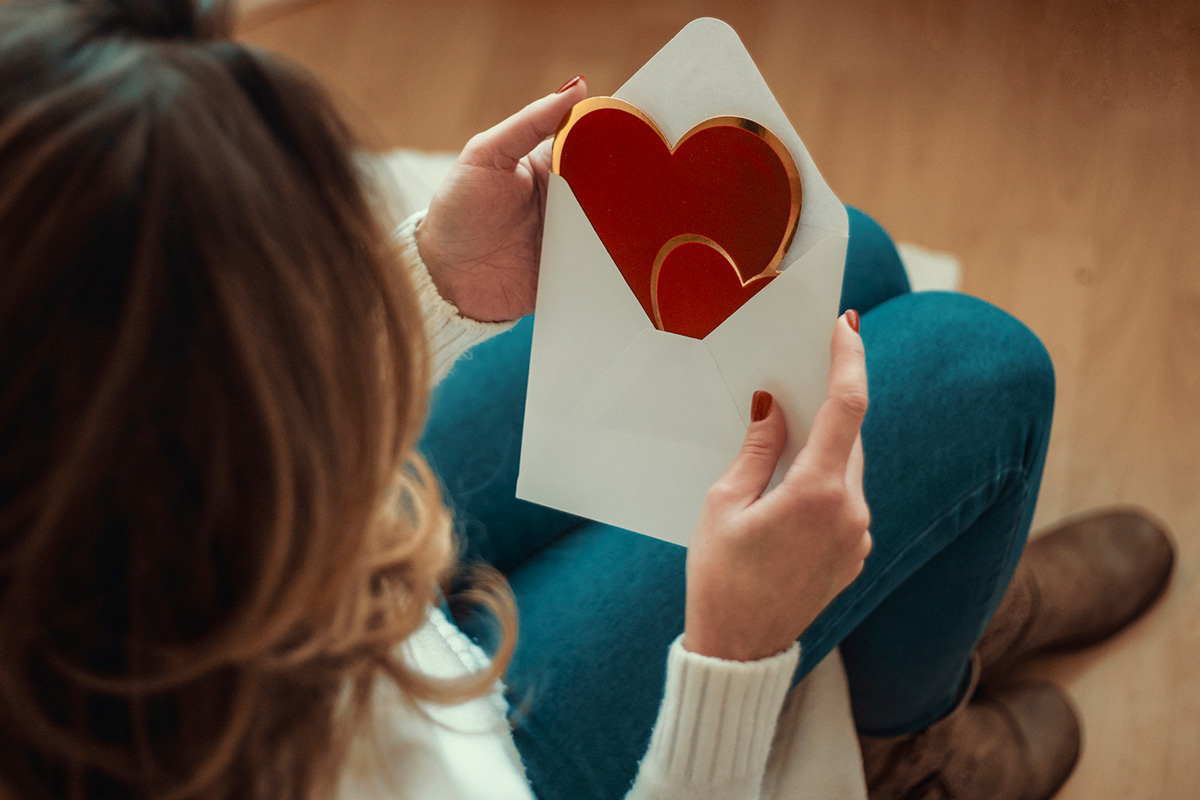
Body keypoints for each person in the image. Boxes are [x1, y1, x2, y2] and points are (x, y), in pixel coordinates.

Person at [0, 1, 1175, 799]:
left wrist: (437, 278)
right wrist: (734, 652)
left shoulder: (81, 479)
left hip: (306, 579)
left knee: (838, 263)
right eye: (287, 299)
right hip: (426, 719)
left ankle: (907, 608)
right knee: (982, 372)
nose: (320, 308)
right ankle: (909, 744)